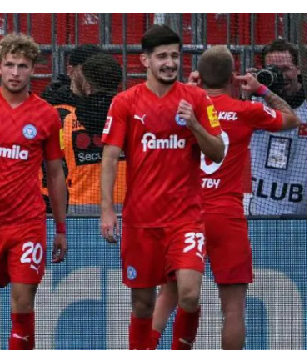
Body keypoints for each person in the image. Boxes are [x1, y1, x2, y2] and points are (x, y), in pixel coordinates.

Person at [150, 46, 300, 350]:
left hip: (185, 215)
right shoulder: (246, 111)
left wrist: (189, 88)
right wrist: (260, 89)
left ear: (199, 75)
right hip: (227, 215)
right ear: (232, 76)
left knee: (168, 295)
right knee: (233, 308)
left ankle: (143, 349)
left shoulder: (182, 108)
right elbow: (291, 118)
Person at [100, 24, 224, 350]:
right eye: (162, 57)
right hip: (141, 222)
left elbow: (218, 152)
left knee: (190, 293)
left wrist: (194, 124)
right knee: (142, 305)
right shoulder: (125, 102)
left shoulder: (197, 99)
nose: (170, 63)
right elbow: (110, 157)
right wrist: (107, 211)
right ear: (145, 61)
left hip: (186, 219)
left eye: (175, 55)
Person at [0, 33, 68, 350]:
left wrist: (61, 227)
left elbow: (54, 173)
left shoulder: (46, 115)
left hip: (26, 223)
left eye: (22, 66)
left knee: (23, 304)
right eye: (9, 65)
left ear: (33, 70)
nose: (15, 72)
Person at [41, 45, 119, 215]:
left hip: (118, 207)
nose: (94, 76)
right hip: (71, 209)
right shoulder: (53, 111)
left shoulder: (118, 107)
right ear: (71, 71)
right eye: (88, 69)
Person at [249, 39, 307, 215]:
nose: (281, 77)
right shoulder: (253, 104)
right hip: (260, 215)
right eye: (274, 70)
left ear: (298, 69)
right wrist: (239, 94)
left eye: (286, 69)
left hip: (302, 215)